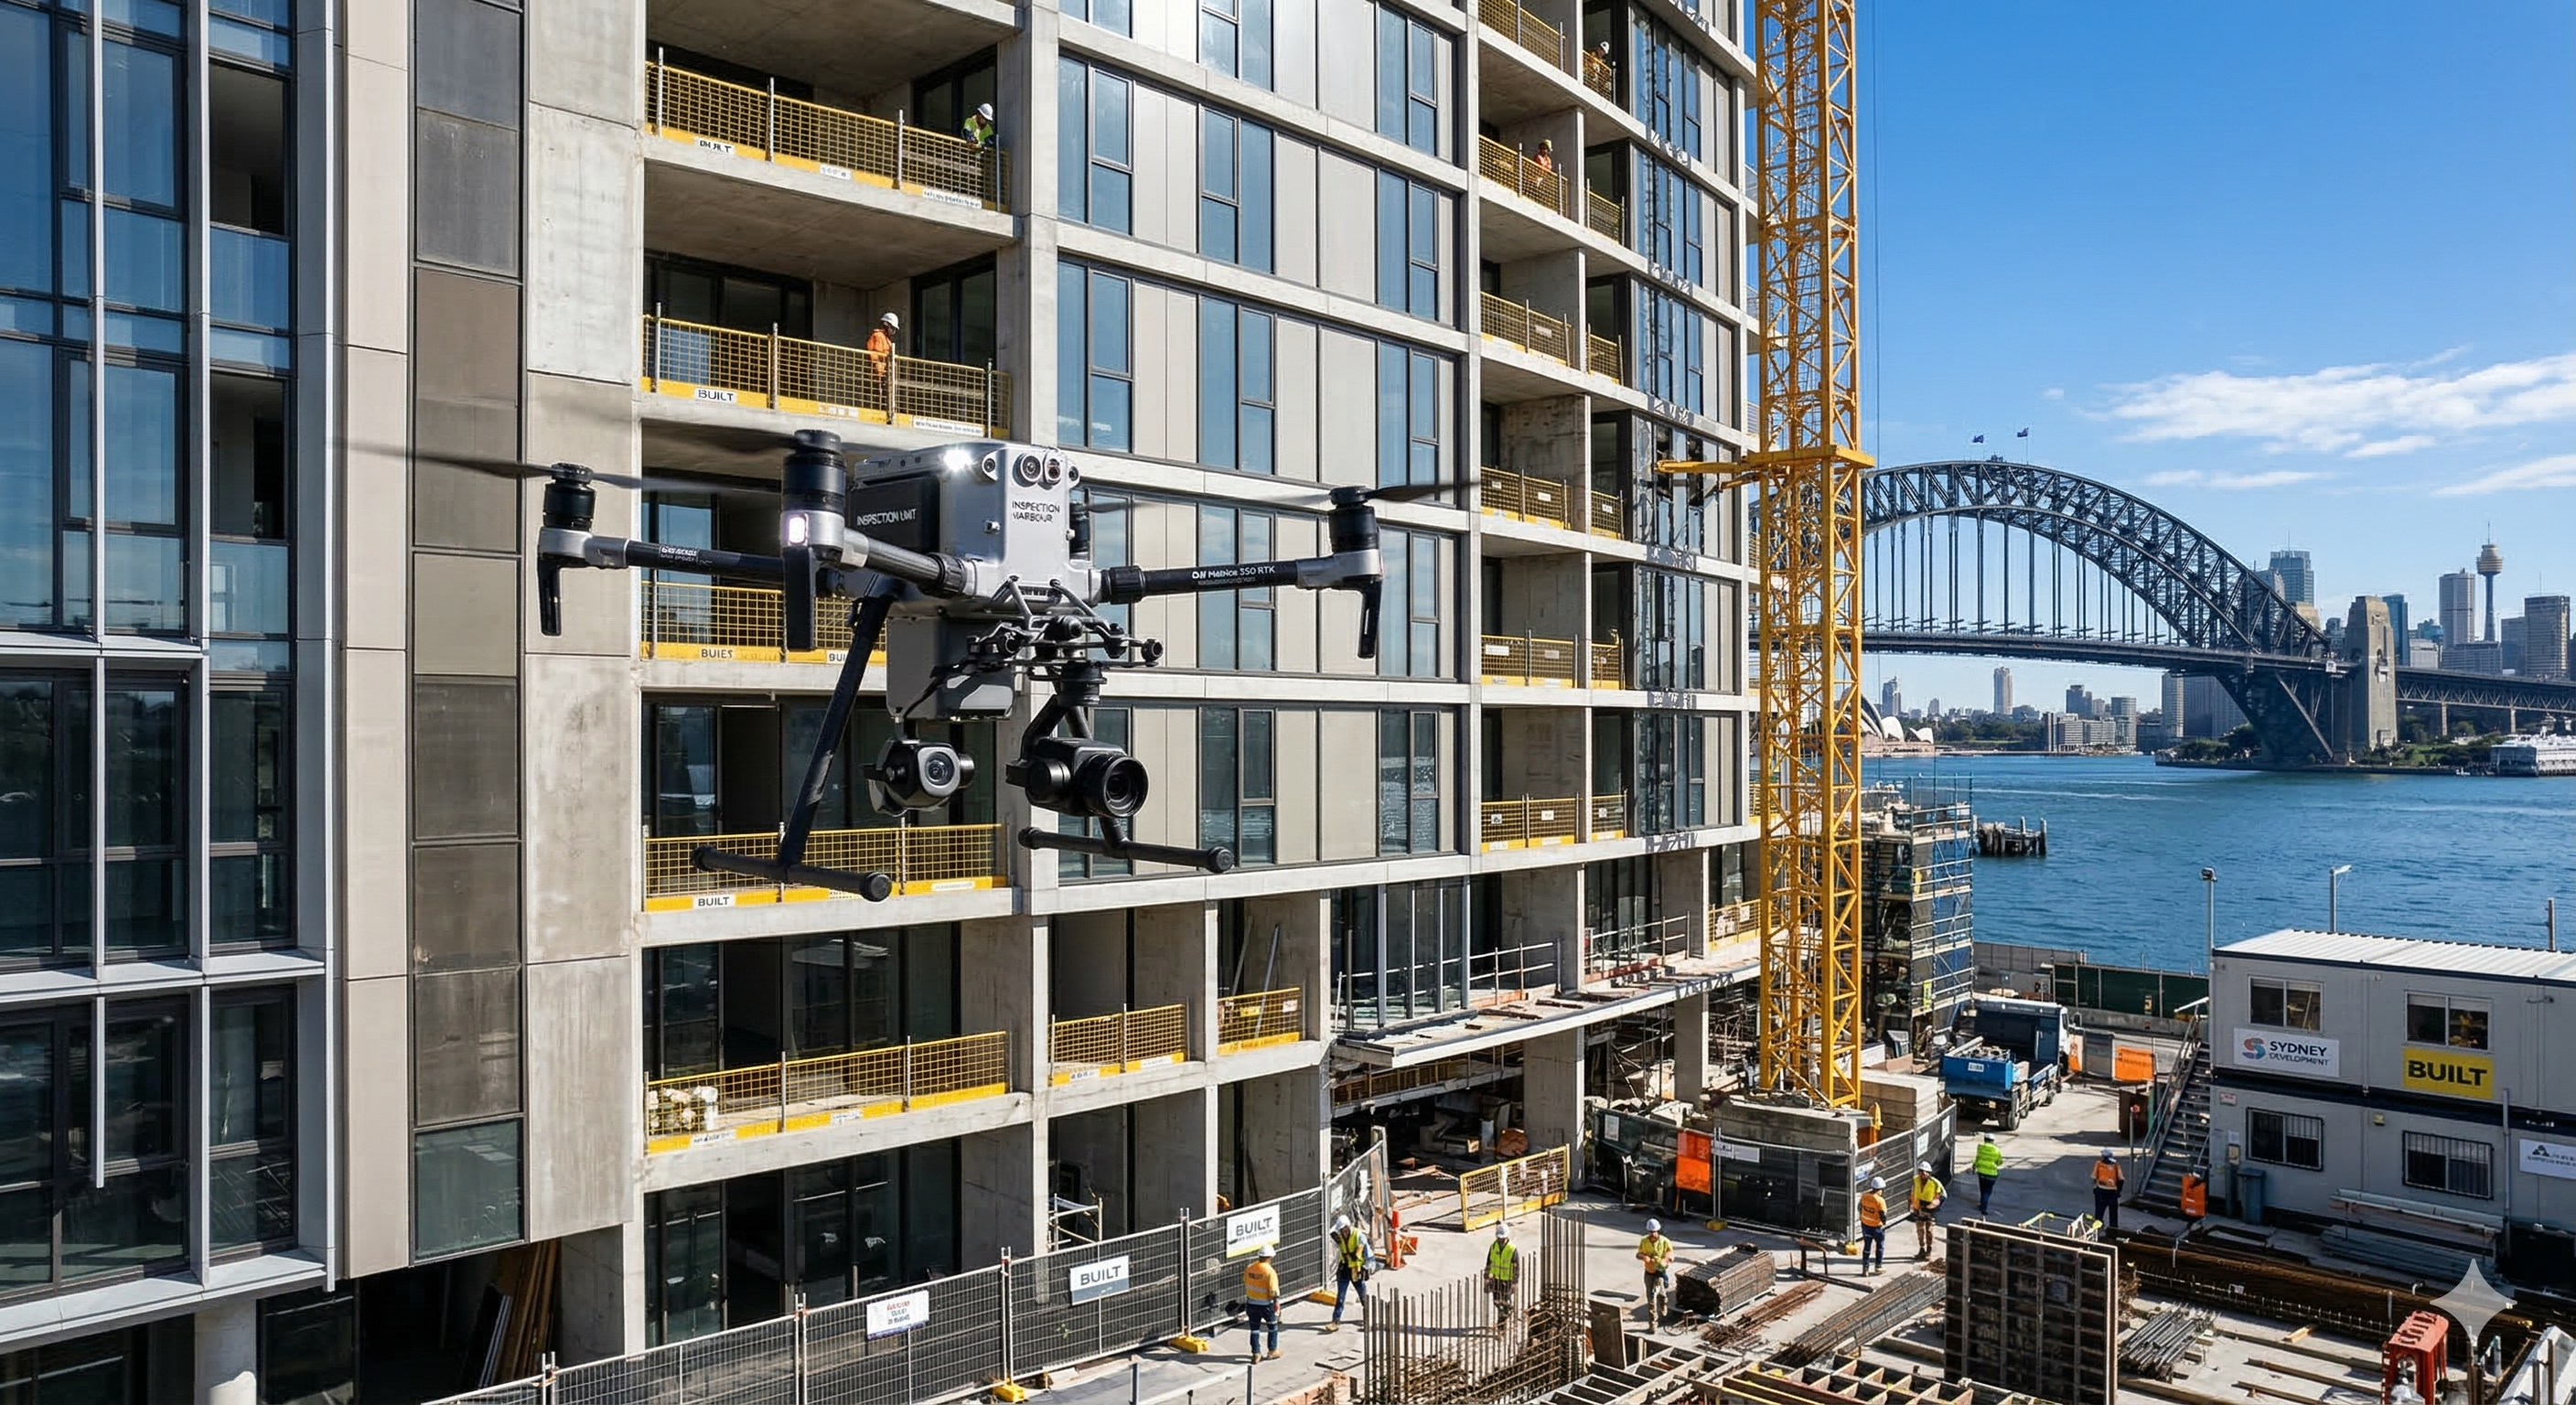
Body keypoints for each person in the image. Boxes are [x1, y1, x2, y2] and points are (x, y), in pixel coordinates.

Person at [1326, 1215, 1370, 1331]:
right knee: (1340, 1297)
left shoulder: (1359, 1236)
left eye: (1345, 1230)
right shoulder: (1339, 1236)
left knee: (1363, 1296)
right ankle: (1335, 1321)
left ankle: (1368, 1319)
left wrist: (1366, 1267)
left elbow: (1368, 1254)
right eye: (1341, 1230)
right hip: (1344, 1269)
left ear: (1349, 1227)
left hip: (1356, 1270)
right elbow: (1333, 1241)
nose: (1343, 1232)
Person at [1241, 1243, 1282, 1360]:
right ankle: (1272, 1350)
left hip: (1251, 1304)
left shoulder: (1250, 1268)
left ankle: (1256, 1353)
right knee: (1272, 1326)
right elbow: (1274, 1290)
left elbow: (1245, 1281)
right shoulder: (1270, 1272)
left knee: (1254, 1329)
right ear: (1269, 1257)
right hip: (1266, 1305)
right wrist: (1276, 1303)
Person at [1636, 1218, 1674, 1323]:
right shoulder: (1644, 1241)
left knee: (1661, 1294)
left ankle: (1663, 1304)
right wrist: (1644, 1257)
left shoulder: (1664, 1241)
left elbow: (1670, 1253)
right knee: (1651, 1298)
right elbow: (1638, 1254)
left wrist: (1666, 1260)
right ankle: (1653, 1322)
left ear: (1658, 1231)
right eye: (1651, 1232)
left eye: (1654, 1232)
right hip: (1649, 1271)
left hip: (1660, 1272)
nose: (1653, 1234)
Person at [1485, 1223, 1519, 1325]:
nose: (1501, 1240)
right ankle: (1505, 1314)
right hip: (1495, 1279)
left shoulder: (1512, 1249)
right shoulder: (1493, 1247)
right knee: (1496, 1301)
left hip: (1507, 1281)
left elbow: (1516, 1268)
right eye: (1499, 1238)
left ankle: (1501, 1325)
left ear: (1507, 1236)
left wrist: (1514, 1283)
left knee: (1504, 1302)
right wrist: (1487, 1277)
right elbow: (1489, 1262)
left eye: (1503, 1238)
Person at [1910, 1162, 1945, 1260]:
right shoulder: (1916, 1180)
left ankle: (1929, 1250)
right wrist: (1912, 1206)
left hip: (1930, 1209)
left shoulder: (1935, 1183)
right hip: (1919, 1208)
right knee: (1920, 1230)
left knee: (1929, 1230)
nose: (1922, 1174)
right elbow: (1913, 1193)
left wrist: (1930, 1207)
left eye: (1924, 1172)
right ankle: (1922, 1249)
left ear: (1929, 1173)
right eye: (1920, 1171)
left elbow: (1938, 1198)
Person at [865, 312, 898, 408]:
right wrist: (878, 373)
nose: (894, 331)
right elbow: (875, 356)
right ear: (886, 325)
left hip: (884, 375)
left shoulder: (886, 339)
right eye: (893, 328)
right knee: (877, 400)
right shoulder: (878, 336)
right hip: (877, 375)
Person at [1857, 1176, 1888, 1276]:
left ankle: (1865, 1269)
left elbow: (1859, 1208)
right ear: (1880, 1189)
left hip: (1865, 1225)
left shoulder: (1864, 1196)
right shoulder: (1880, 1201)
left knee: (1867, 1247)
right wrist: (1884, 1224)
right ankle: (1878, 1266)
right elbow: (1883, 1215)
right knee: (1880, 1246)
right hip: (1877, 1227)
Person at [2092, 1149, 2124, 1230]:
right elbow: (2121, 1180)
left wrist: (2095, 1188)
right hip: (2110, 1192)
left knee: (2099, 1211)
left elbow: (2094, 1177)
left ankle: (2098, 1229)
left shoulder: (2100, 1164)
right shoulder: (2115, 1165)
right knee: (2112, 1213)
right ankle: (2113, 1230)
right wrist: (2118, 1191)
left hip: (2102, 1191)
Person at [1974, 1132, 2004, 1217]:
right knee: (1987, 1191)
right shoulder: (1996, 1150)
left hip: (1981, 1172)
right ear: (1993, 1141)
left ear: (1985, 1139)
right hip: (1991, 1174)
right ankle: (1984, 1209)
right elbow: (2000, 1162)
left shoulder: (1980, 1147)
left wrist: (1974, 1166)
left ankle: (1982, 1204)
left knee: (1982, 1189)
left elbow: (1978, 1158)